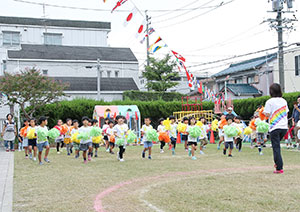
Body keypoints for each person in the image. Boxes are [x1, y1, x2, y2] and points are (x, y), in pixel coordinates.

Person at [264, 83, 288, 174]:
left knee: (276, 147)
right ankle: (278, 163)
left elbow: (267, 114)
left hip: (274, 127)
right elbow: (286, 112)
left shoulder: (269, 102)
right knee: (277, 147)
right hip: (284, 127)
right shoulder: (284, 101)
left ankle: (279, 167)